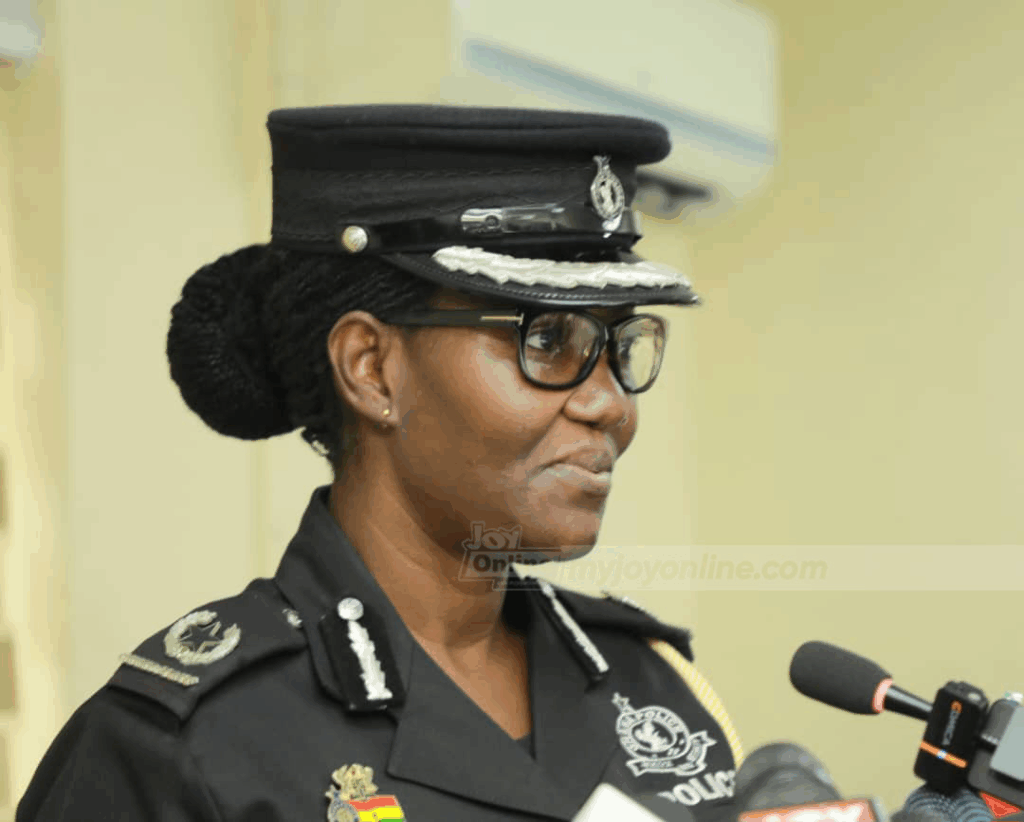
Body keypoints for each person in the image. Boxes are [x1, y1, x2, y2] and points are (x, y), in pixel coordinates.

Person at [17, 105, 744, 822]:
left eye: (621, 347)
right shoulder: (188, 746)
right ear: (372, 370)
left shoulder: (653, 686)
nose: (611, 404)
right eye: (549, 340)